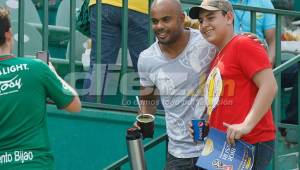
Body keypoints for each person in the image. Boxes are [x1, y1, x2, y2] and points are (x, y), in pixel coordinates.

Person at [188, 0, 277, 169]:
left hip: (250, 142)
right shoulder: (219, 55)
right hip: (223, 143)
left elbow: (270, 86)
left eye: (210, 17)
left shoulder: (243, 44)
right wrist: (209, 125)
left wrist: (246, 125)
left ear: (229, 17)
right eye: (201, 21)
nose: (204, 25)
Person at [137, 0, 216, 169]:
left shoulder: (206, 42)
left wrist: (251, 40)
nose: (159, 26)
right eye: (155, 21)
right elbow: (148, 99)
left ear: (181, 18)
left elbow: (234, 48)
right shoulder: (146, 58)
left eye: (166, 20)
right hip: (178, 155)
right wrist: (142, 119)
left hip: (215, 147)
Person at [0, 7, 81, 169]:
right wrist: (53, 72)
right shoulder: (37, 68)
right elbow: (75, 105)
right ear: (9, 34)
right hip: (35, 163)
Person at [83, 0, 149, 102]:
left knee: (100, 67)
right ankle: (155, 115)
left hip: (102, 4)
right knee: (148, 69)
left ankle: (89, 114)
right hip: (139, 6)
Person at [229, 0, 276, 65]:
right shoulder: (217, 2)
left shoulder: (264, 2)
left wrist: (267, 65)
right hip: (227, 60)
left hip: (256, 62)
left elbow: (273, 41)